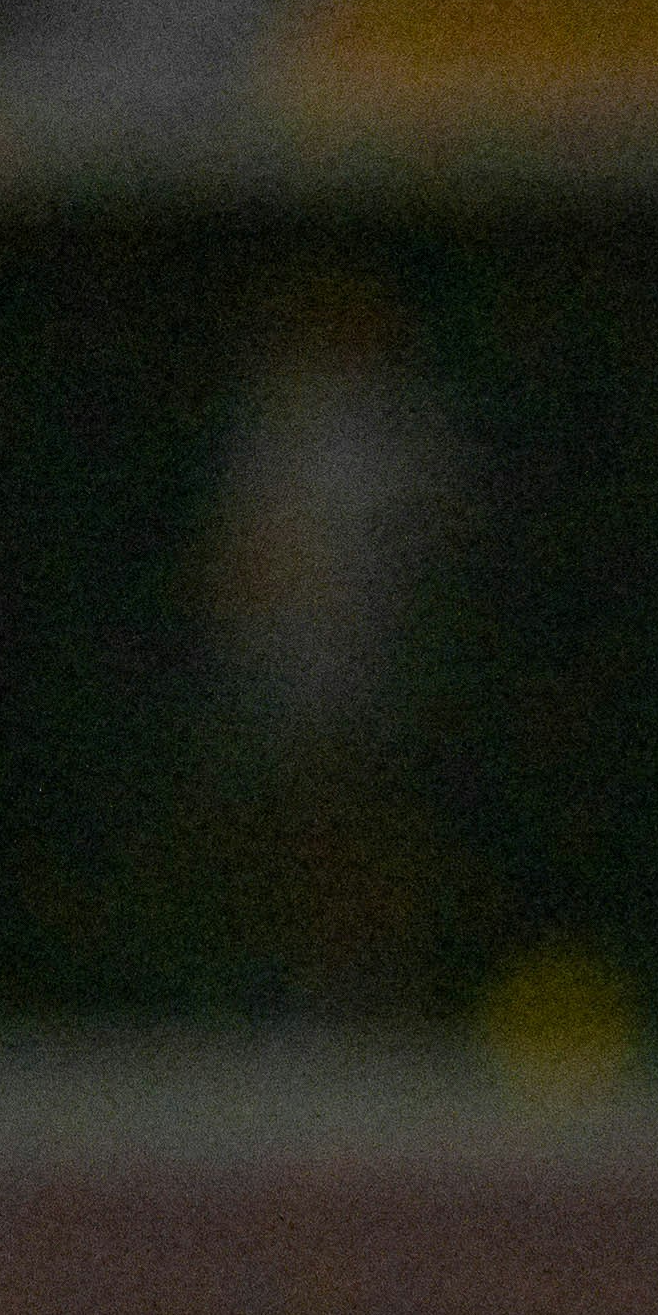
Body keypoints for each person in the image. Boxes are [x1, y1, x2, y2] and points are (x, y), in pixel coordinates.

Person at [203, 264, 462, 1019]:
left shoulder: (405, 426)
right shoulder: (275, 419)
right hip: (282, 671)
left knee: (371, 830)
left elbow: (431, 553)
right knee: (292, 832)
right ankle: (292, 988)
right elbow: (238, 554)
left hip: (380, 678)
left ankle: (378, 988)